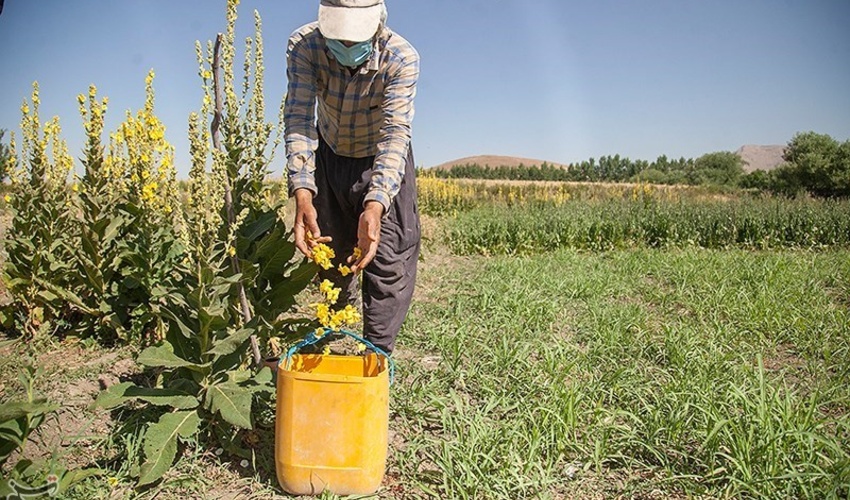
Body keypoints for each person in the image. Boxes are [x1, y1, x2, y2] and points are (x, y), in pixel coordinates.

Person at [285, 0, 420, 354]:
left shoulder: (401, 58)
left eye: (354, 39)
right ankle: (333, 342)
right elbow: (299, 118)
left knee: (388, 260)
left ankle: (377, 355)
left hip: (382, 160)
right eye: (338, 39)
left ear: (378, 24)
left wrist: (375, 206)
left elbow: (394, 136)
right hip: (330, 155)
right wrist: (302, 192)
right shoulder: (304, 46)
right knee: (331, 252)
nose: (346, 48)